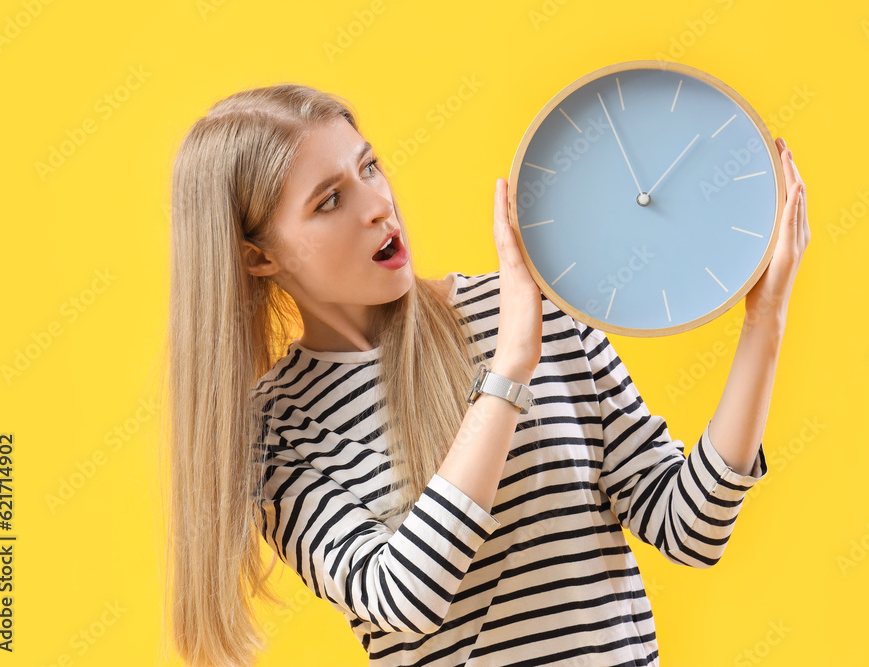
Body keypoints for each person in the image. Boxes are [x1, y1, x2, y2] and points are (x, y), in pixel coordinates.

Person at [163, 83, 809, 667]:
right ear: (257, 257)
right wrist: (509, 370)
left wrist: (765, 322)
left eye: (369, 168)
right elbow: (401, 596)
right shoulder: (275, 432)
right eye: (330, 200)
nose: (378, 206)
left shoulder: (526, 308)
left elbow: (689, 526)